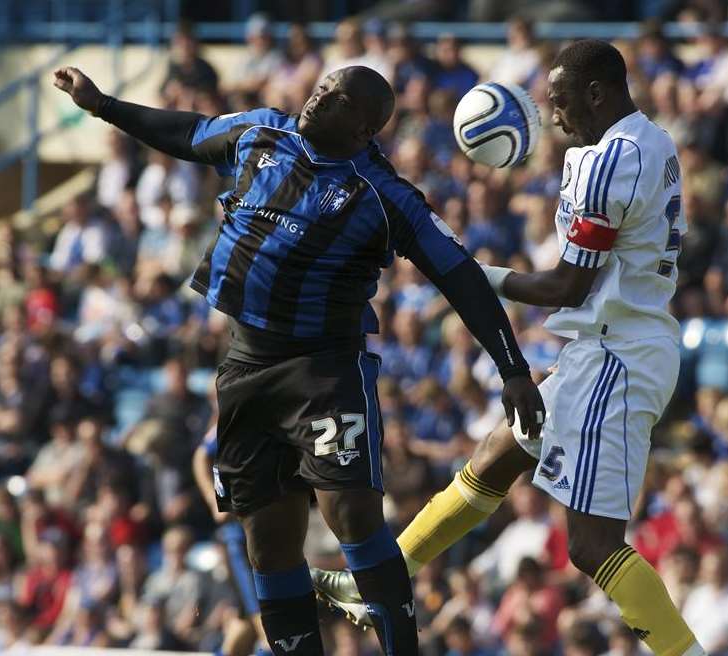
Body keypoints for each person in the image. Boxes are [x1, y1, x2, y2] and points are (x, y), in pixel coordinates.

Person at [53, 63, 543, 656]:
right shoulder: (262, 132)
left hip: (324, 371)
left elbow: (460, 275)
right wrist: (103, 103)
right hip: (244, 368)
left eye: (337, 98)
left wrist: (512, 367)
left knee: (354, 516)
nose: (319, 97)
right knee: (268, 543)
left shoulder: (384, 196)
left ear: (364, 129)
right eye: (321, 87)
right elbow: (189, 133)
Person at [314, 39, 707, 656]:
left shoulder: (612, 159)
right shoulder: (645, 142)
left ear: (597, 92)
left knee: (592, 545)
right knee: (500, 453)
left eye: (561, 100)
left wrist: (472, 275)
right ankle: (376, 584)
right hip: (607, 347)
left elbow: (567, 283)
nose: (553, 114)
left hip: (618, 356)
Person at [192, 422, 269, 656]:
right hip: (240, 538)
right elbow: (201, 457)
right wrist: (211, 497)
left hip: (268, 532)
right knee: (268, 628)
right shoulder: (238, 410)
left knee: (244, 626)